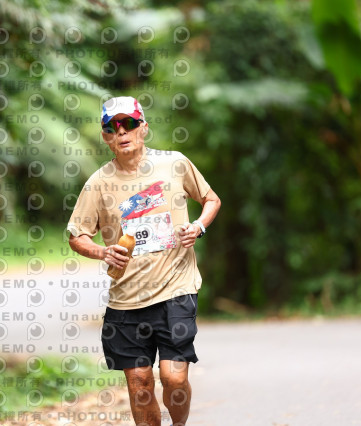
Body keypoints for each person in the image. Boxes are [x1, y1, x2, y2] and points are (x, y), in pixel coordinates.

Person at [66, 96, 221, 426]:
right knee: (139, 385)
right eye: (112, 127)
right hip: (126, 300)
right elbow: (76, 236)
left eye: (129, 123)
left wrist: (198, 226)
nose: (121, 132)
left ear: (144, 128)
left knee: (174, 378)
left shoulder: (175, 163)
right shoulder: (97, 183)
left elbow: (211, 199)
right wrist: (103, 251)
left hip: (176, 290)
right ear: (105, 136)